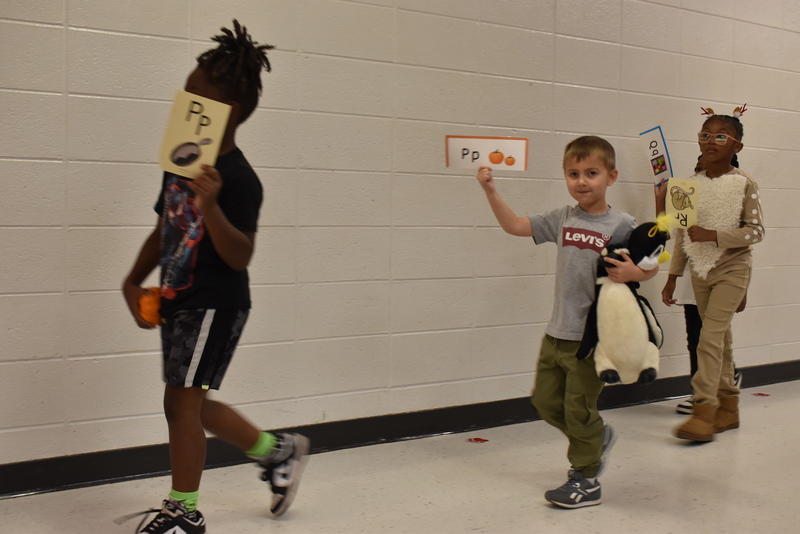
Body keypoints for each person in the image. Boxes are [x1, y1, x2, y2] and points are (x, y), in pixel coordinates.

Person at [121, 20, 309, 533]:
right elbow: (166, 223)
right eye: (184, 89)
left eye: (194, 94)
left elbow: (240, 254)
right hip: (181, 295)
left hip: (216, 301)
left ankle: (183, 511)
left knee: (181, 401)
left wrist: (212, 205)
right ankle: (277, 450)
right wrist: (134, 279)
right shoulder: (182, 159)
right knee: (187, 402)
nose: (183, 99)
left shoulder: (240, 179)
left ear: (223, 113)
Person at [476, 136, 658, 509]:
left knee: (578, 409)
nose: (581, 181)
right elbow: (514, 226)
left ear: (611, 176)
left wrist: (633, 271)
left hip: (592, 340)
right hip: (557, 331)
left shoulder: (622, 224)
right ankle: (595, 436)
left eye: (591, 173)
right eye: (573, 173)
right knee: (544, 402)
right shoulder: (562, 218)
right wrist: (490, 190)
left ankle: (586, 479)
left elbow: (650, 266)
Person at [661, 107, 764, 442]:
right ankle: (729, 410)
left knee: (709, 337)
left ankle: (704, 411)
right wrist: (673, 276)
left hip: (732, 269)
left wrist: (715, 235)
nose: (710, 141)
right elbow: (681, 235)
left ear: (736, 147)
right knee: (722, 341)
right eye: (704, 135)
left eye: (720, 136)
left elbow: (756, 232)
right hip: (699, 271)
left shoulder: (744, 183)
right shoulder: (688, 186)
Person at [655, 155, 743, 415]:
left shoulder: (735, 198)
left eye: (706, 167)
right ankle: (703, 391)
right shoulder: (688, 196)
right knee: (695, 337)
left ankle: (714, 390)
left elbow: (742, 247)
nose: (700, 171)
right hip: (694, 280)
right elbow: (671, 234)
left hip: (722, 278)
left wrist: (743, 289)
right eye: (698, 167)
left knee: (712, 337)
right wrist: (671, 279)